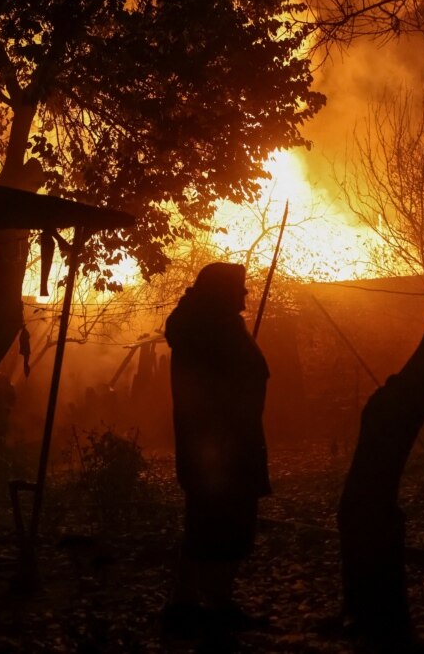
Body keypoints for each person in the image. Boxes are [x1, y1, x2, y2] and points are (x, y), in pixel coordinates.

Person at [161, 262, 271, 637]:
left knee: (209, 523)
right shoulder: (210, 328)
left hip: (220, 444)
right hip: (220, 446)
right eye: (239, 289)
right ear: (221, 292)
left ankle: (189, 602)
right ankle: (211, 603)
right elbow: (225, 383)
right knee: (224, 523)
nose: (245, 295)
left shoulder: (208, 325)